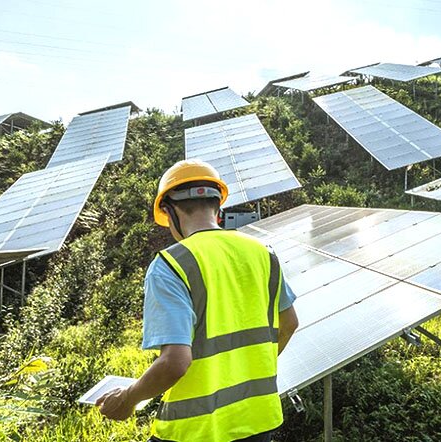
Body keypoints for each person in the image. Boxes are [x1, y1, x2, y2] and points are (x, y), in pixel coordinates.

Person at [97, 159, 299, 442]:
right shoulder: (262, 252)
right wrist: (242, 369)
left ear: (168, 211)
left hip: (195, 430)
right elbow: (289, 323)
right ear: (218, 207)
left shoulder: (170, 264)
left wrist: (129, 399)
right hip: (258, 418)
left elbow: (175, 362)